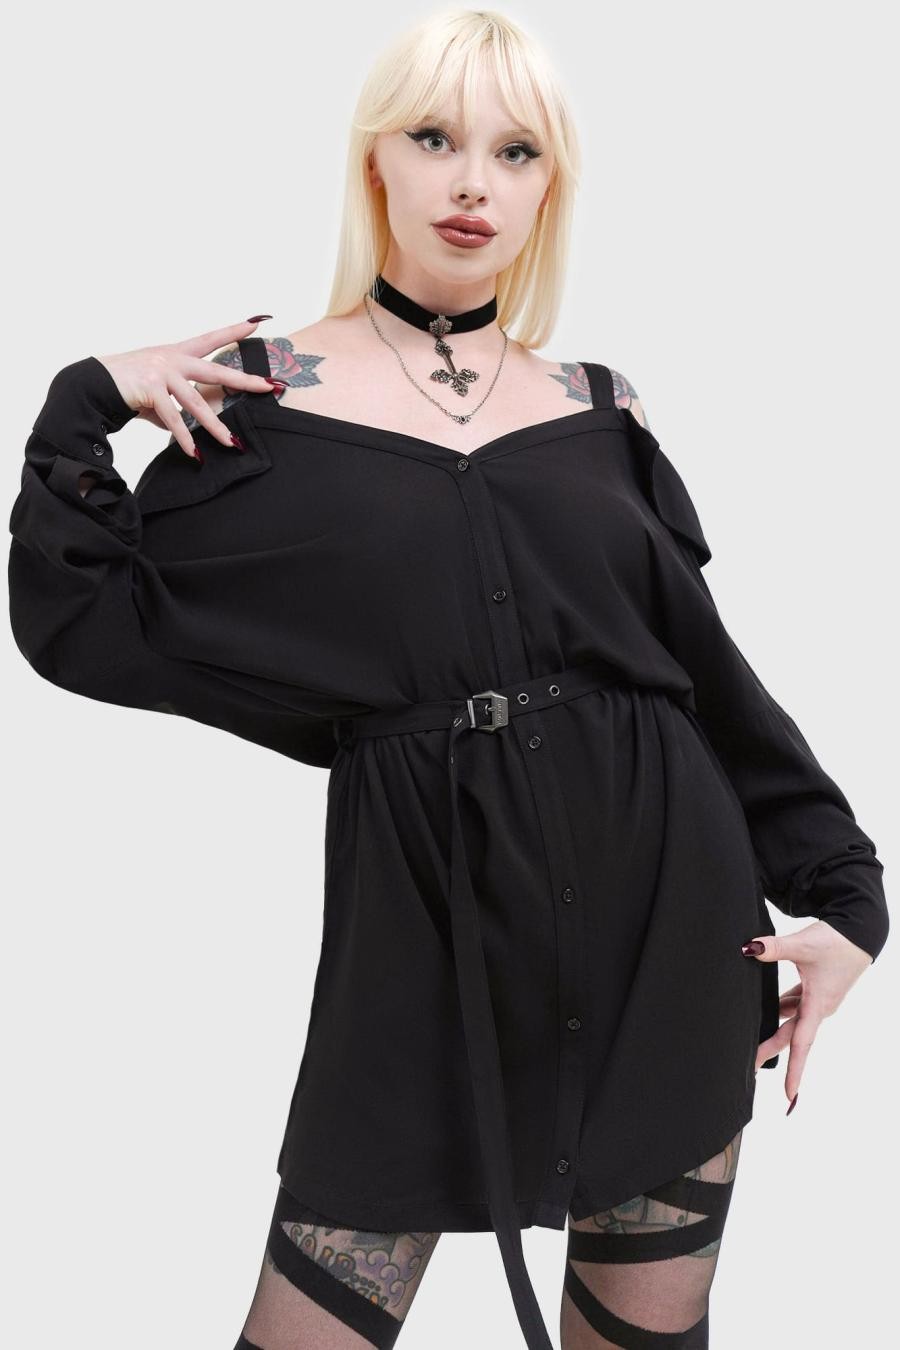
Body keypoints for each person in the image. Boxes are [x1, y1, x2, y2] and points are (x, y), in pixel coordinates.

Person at [7, 9, 889, 1349]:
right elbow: (86, 622)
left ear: (549, 187)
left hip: (667, 942)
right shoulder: (265, 405)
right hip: (420, 948)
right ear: (376, 158)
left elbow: (705, 680)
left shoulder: (599, 407)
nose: (474, 182)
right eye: (435, 138)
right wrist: (87, 399)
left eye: (516, 152)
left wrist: (847, 899)